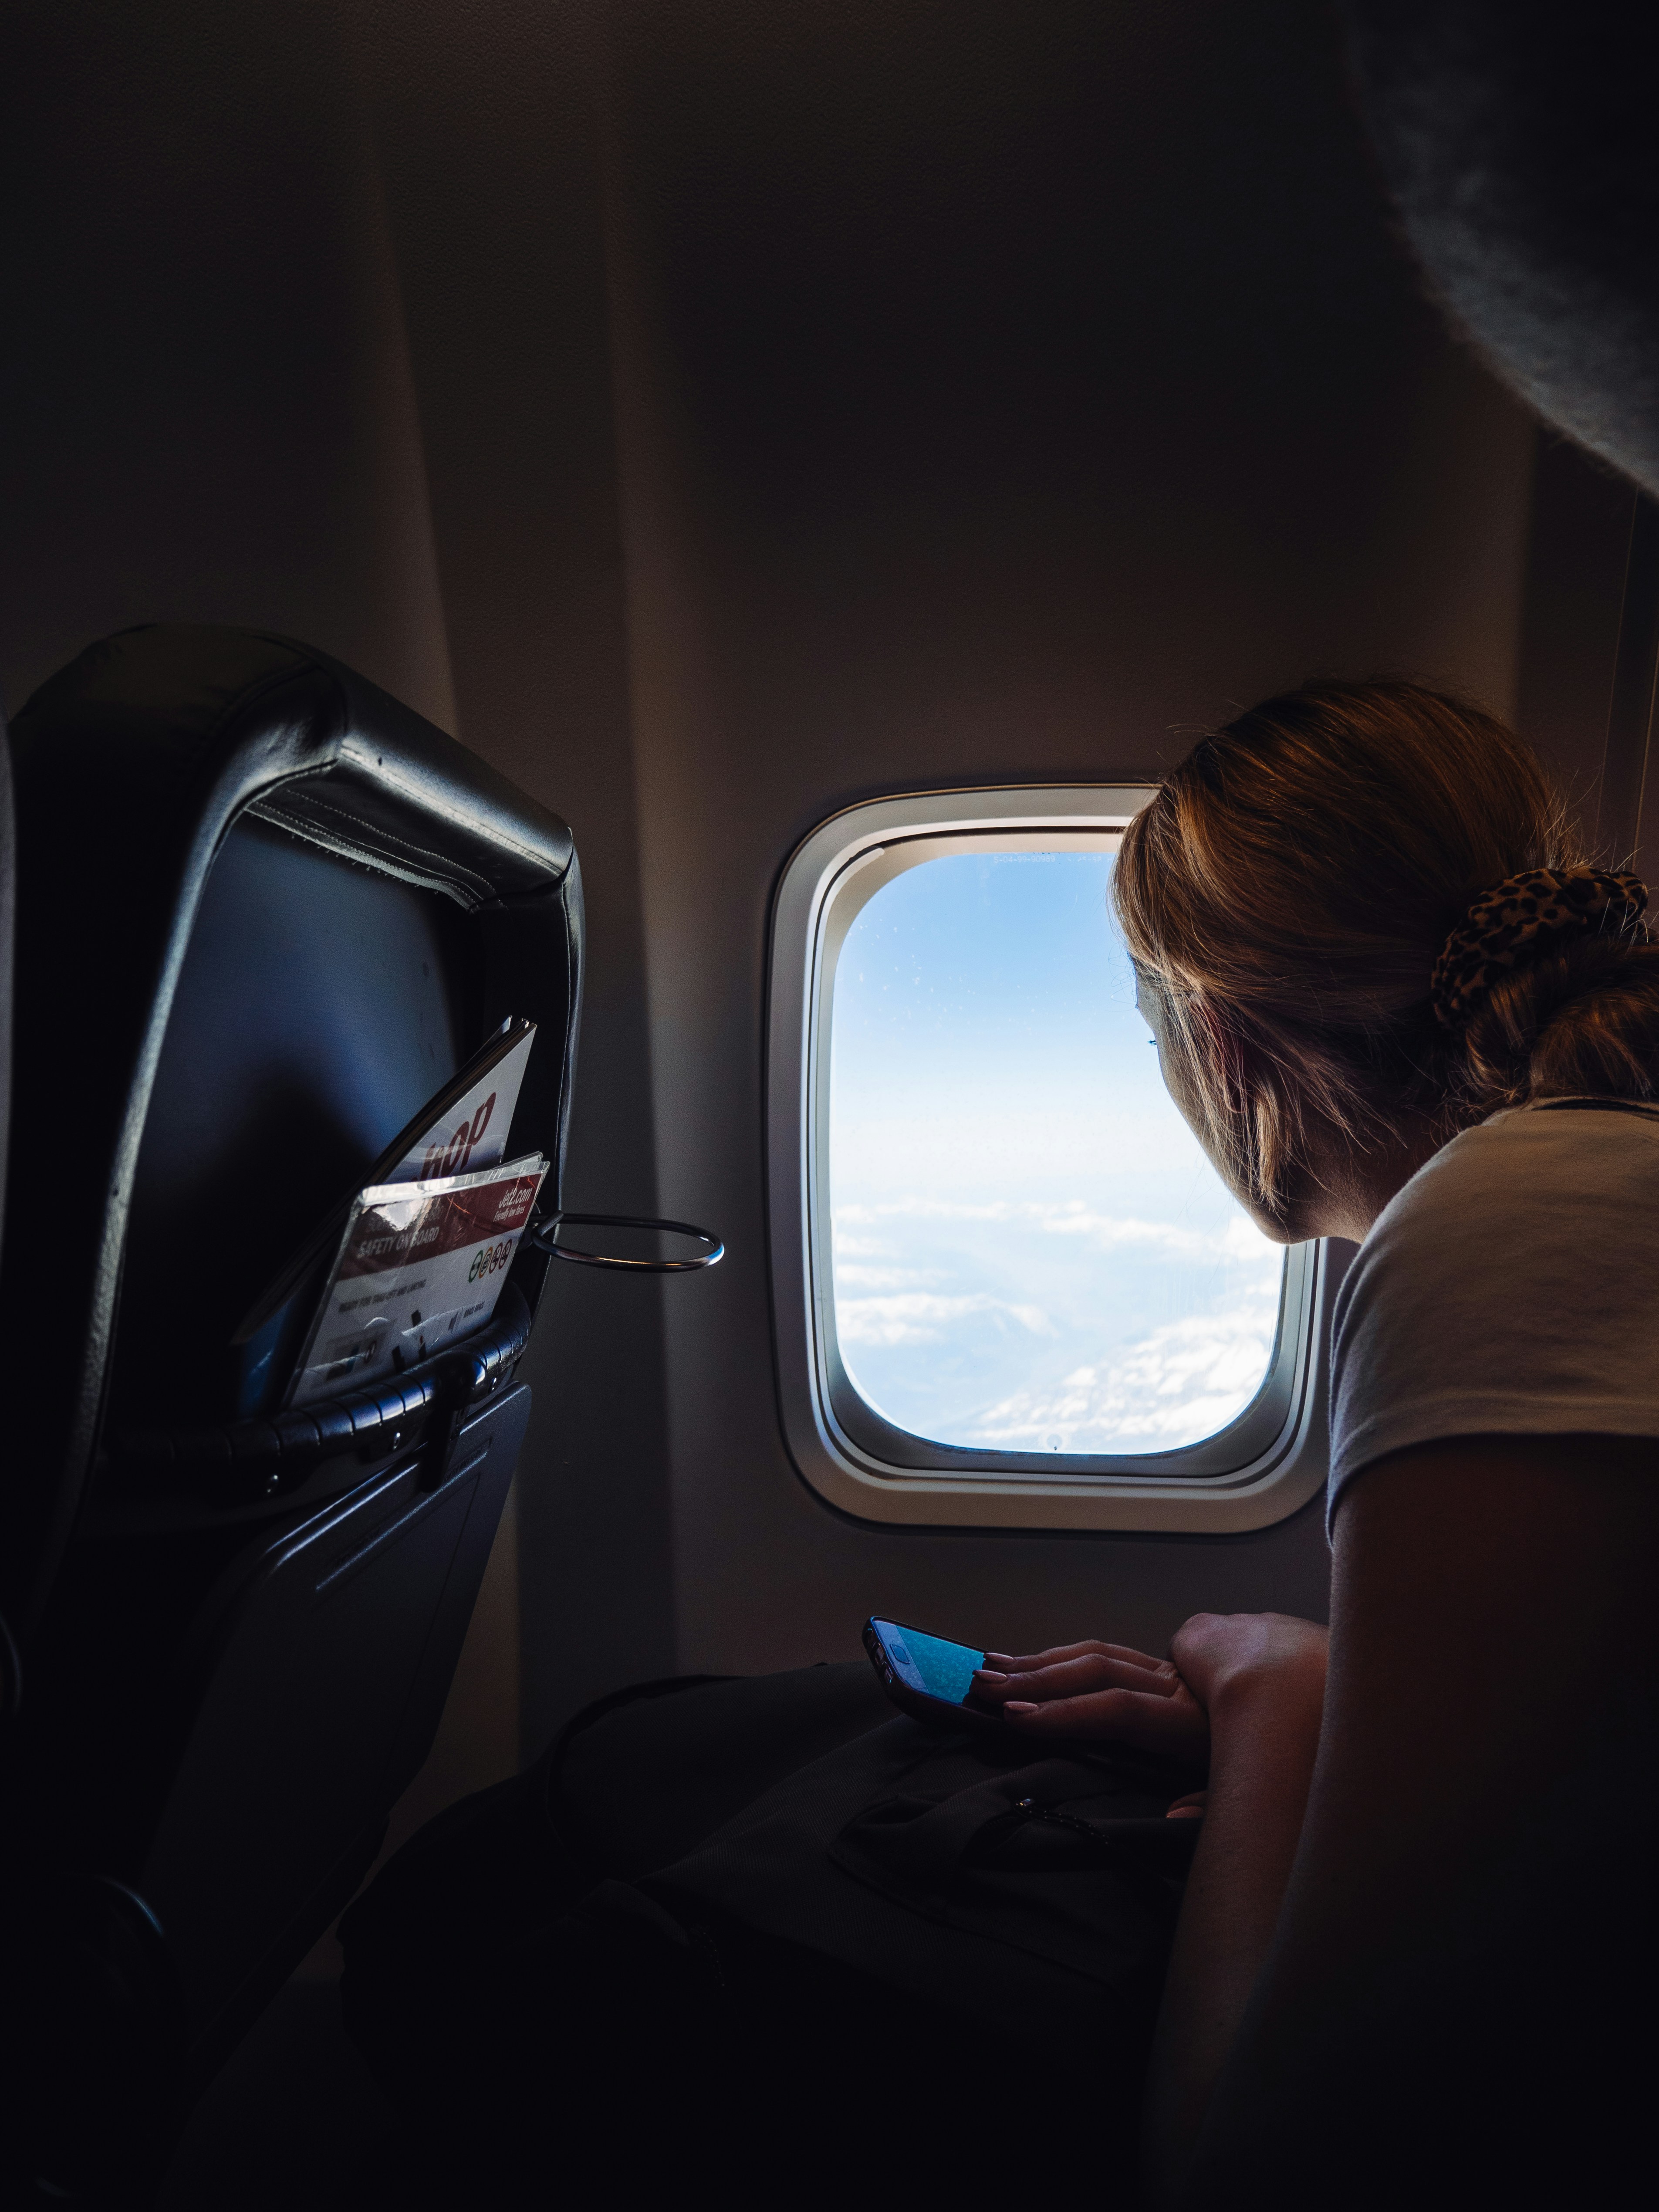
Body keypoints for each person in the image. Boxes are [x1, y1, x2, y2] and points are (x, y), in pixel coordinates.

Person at [342, 680, 1659, 2207]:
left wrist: (1282, 1691)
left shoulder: (1523, 1224)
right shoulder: (1581, 1192)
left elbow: (1274, 2169)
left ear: (1219, 1041)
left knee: (490, 1933)